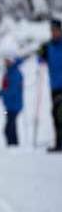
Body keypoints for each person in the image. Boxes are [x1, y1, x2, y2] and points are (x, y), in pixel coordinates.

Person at [0, 52, 26, 146]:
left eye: (7, 61)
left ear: (12, 61)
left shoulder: (15, 73)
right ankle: (14, 146)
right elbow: (5, 88)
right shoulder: (9, 72)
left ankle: (13, 147)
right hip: (8, 106)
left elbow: (11, 90)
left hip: (14, 106)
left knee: (8, 129)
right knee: (11, 127)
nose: (5, 63)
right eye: (5, 61)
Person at [37, 18, 62, 152]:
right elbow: (40, 60)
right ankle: (59, 143)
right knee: (55, 114)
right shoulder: (48, 47)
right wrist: (40, 53)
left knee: (60, 113)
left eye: (56, 30)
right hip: (54, 86)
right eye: (52, 31)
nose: (54, 33)